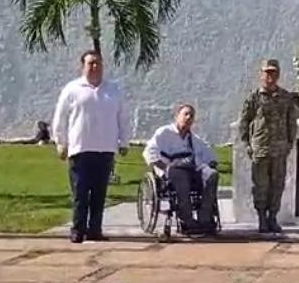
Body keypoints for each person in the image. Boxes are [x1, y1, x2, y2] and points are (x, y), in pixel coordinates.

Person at [51, 50, 129, 243]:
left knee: (99, 193)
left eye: (98, 63)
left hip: (105, 149)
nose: (94, 67)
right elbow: (60, 119)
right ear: (83, 66)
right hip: (80, 149)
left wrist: (124, 141)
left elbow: (123, 118)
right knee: (80, 192)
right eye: (90, 63)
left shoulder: (113, 90)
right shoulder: (72, 89)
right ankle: (78, 229)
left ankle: (95, 230)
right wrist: (60, 142)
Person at [238, 59, 298, 234]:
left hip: (279, 150)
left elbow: (291, 123)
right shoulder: (254, 98)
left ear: (278, 75)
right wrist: (247, 144)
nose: (270, 76)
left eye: (273, 73)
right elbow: (244, 122)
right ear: (261, 74)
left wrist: (289, 143)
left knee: (277, 185)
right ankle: (262, 218)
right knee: (261, 185)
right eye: (266, 72)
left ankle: (273, 216)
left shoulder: (285, 98)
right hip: (261, 149)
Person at [143, 103, 219, 235]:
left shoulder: (194, 140)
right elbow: (150, 152)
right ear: (177, 116)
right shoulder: (164, 133)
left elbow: (210, 157)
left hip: (193, 170)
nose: (189, 117)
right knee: (180, 175)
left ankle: (205, 218)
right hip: (172, 170)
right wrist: (165, 168)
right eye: (186, 114)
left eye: (191, 115)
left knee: (212, 175)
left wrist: (210, 166)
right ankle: (186, 219)